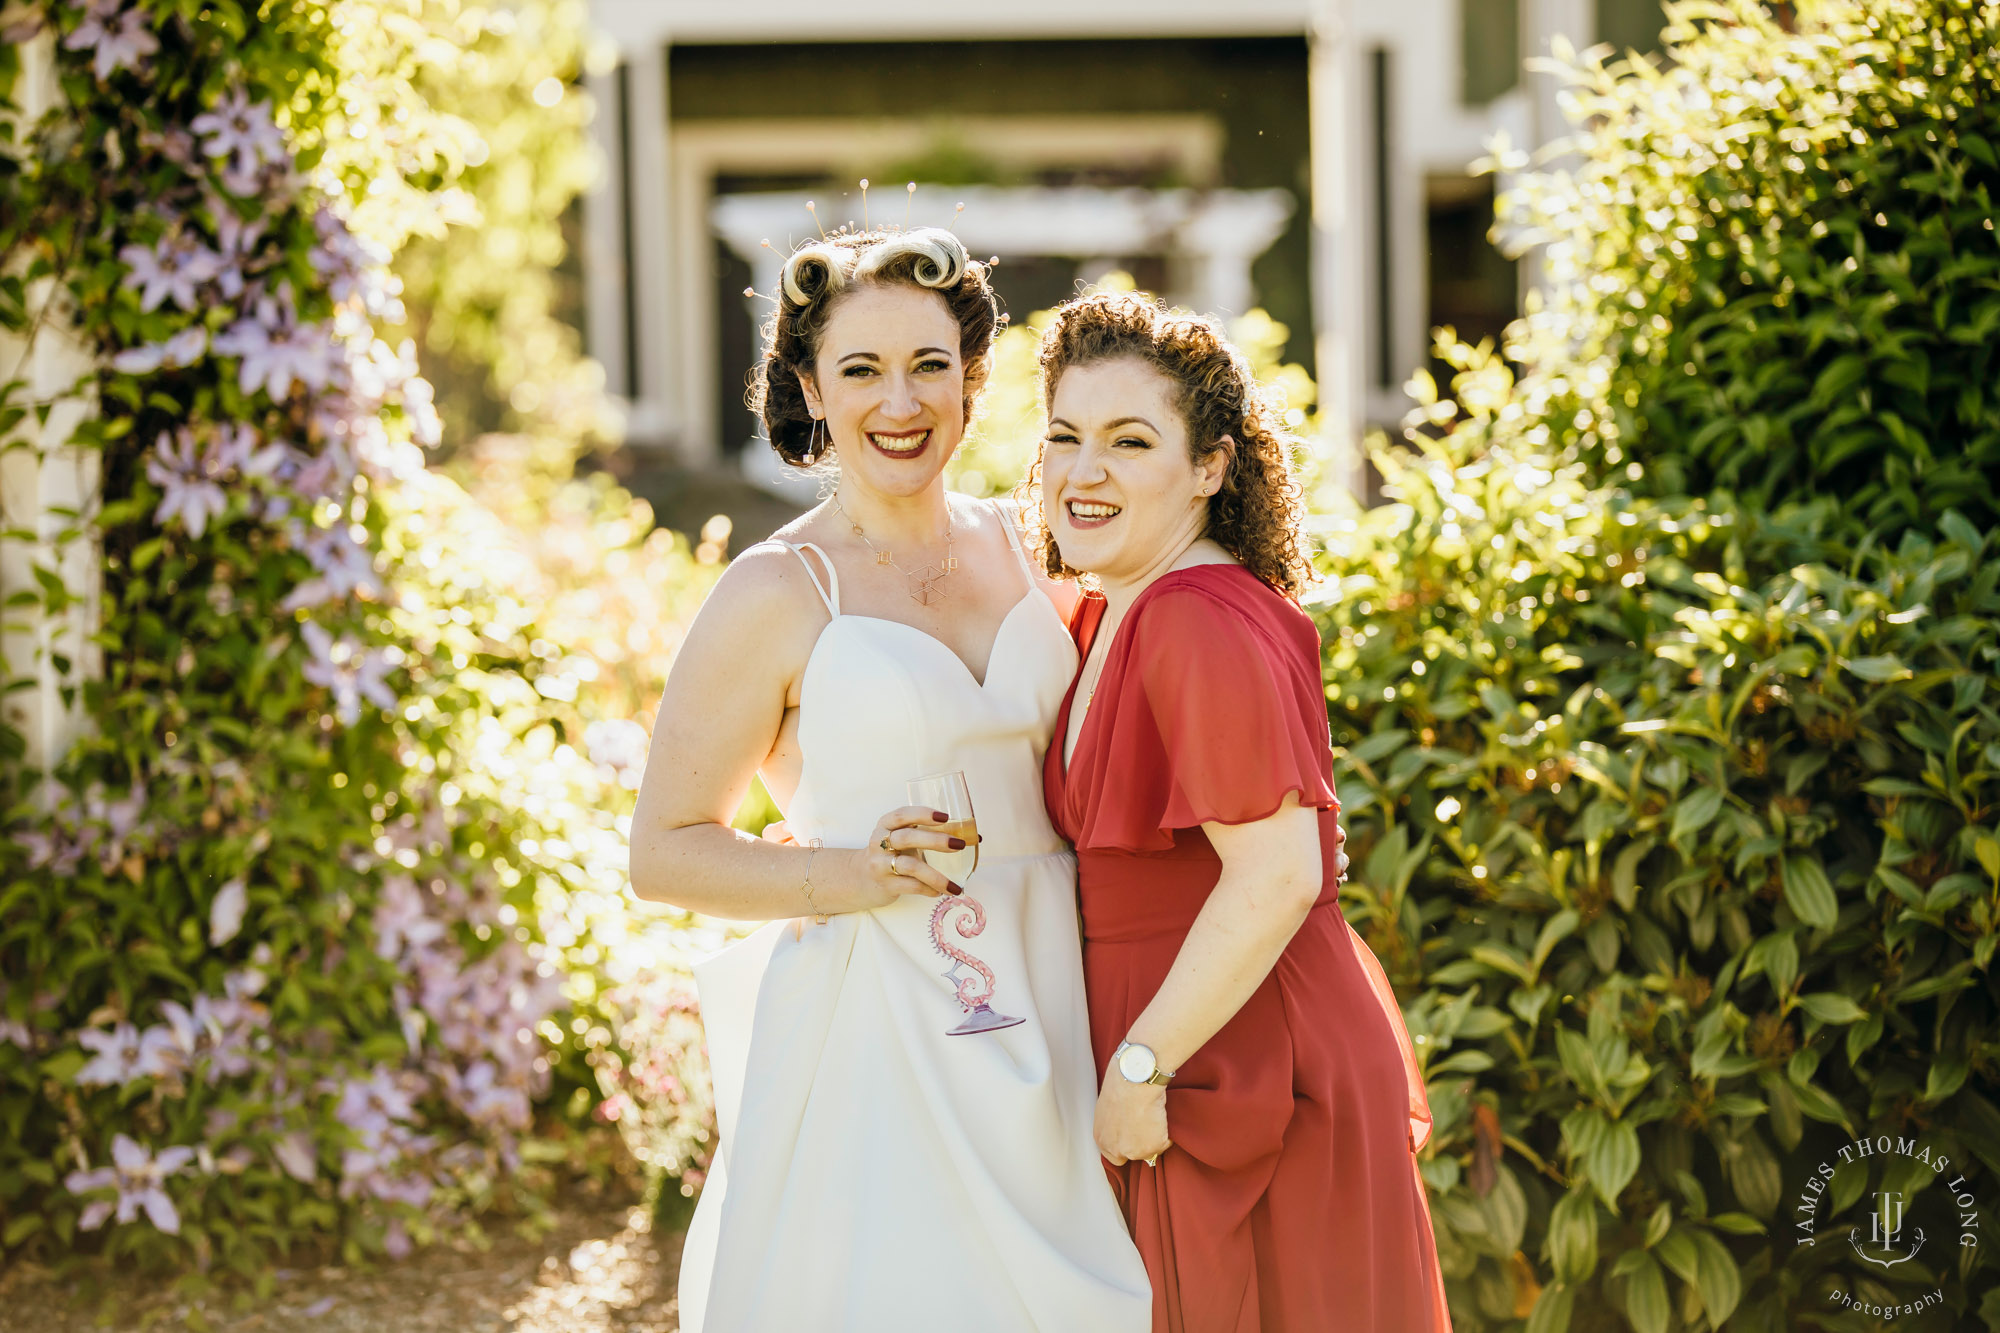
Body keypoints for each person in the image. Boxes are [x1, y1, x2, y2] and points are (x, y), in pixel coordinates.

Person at [629, 227, 1151, 1332]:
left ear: (970, 377)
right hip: (881, 1014)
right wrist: (856, 870)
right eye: (859, 369)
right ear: (811, 388)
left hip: (1061, 987)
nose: (898, 401)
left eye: (926, 364)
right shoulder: (774, 591)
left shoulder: (1033, 543)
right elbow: (663, 849)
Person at [1032, 290, 1451, 1332]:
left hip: (1231, 1063)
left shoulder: (1191, 620)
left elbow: (1276, 873)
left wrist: (1139, 1064)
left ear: (1210, 467)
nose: (1084, 471)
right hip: (1194, 1039)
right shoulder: (1112, 604)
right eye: (1063, 437)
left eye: (1129, 441)